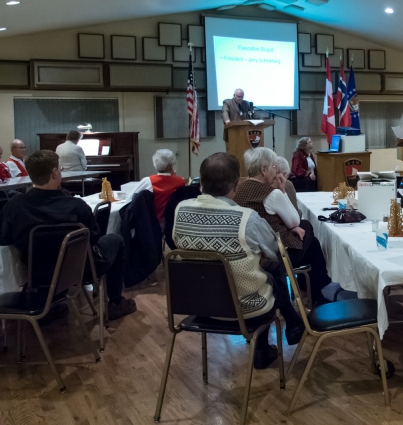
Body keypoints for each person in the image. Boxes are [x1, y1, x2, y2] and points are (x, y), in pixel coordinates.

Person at [173, 152, 304, 369]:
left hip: (198, 306)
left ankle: (282, 332)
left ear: (201, 183)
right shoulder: (247, 219)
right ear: (235, 184)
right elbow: (274, 251)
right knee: (273, 270)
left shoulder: (180, 211)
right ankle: (288, 327)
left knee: (261, 271)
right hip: (245, 310)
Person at [0, 150, 136, 320]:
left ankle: (46, 304)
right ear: (55, 173)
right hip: (79, 271)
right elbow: (94, 237)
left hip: (37, 272)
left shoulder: (14, 206)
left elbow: (5, 237)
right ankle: (115, 303)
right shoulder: (76, 205)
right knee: (116, 240)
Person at [235, 147, 332, 306]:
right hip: (276, 254)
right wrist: (282, 191)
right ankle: (317, 293)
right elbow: (295, 221)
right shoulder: (272, 194)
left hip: (251, 252)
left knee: (312, 245)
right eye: (273, 167)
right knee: (306, 226)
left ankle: (314, 291)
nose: (276, 171)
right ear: (263, 170)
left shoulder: (239, 189)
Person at [132, 149, 186, 228]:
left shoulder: (148, 181)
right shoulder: (181, 181)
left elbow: (132, 199)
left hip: (152, 224)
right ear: (171, 166)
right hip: (174, 224)